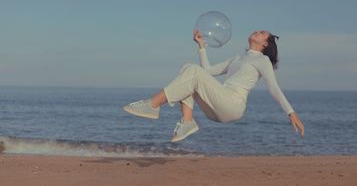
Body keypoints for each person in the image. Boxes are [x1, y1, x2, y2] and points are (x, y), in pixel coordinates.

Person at [123, 30, 305, 142]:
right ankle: (187, 122)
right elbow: (207, 71)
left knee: (192, 72)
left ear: (265, 43)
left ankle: (152, 105)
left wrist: (291, 112)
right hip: (217, 107)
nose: (257, 31)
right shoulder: (237, 59)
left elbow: (273, 88)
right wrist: (201, 46)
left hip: (233, 105)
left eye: (262, 32)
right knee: (188, 69)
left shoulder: (263, 60)